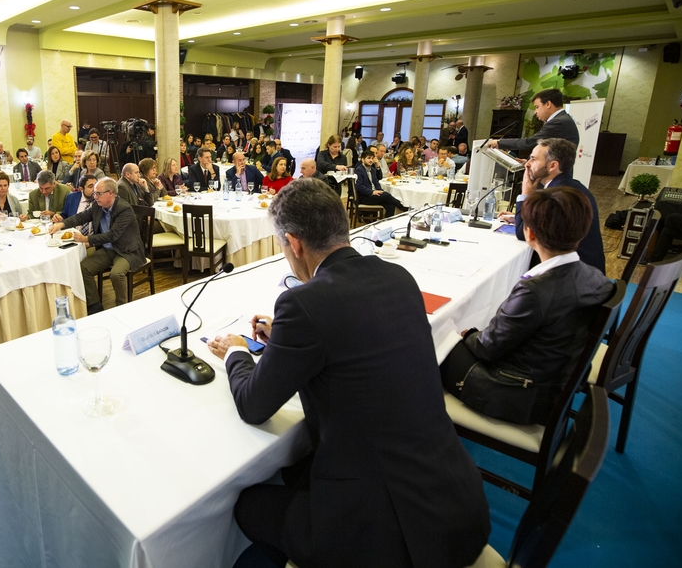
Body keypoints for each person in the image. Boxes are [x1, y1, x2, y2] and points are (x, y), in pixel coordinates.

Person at [205, 180, 490, 568]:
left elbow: (254, 405)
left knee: (249, 505)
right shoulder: (400, 279)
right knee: (295, 473)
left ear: (295, 243)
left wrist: (237, 351)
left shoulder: (302, 304)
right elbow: (356, 339)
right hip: (456, 502)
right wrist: (287, 339)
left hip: (392, 536)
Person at [442, 186, 613, 424]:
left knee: (438, 341)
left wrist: (470, 333)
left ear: (529, 234)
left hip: (517, 392)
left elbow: (487, 348)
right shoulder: (596, 277)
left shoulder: (535, 290)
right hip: (555, 380)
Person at [504, 138, 605, 274]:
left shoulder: (557, 195)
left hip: (571, 279)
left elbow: (523, 233)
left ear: (552, 165)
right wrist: (529, 216)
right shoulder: (571, 187)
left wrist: (526, 193)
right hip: (589, 273)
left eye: (533, 159)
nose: (527, 164)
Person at [48, 177, 146, 314]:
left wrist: (86, 238)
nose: (95, 197)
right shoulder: (97, 205)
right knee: (83, 268)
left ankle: (122, 308)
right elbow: (80, 217)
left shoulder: (124, 209)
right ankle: (95, 306)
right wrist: (61, 224)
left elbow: (113, 235)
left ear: (110, 193)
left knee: (116, 274)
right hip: (108, 249)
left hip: (126, 250)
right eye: (94, 193)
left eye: (98, 193)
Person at [485, 89, 578, 151]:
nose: (535, 112)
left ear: (548, 104)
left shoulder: (558, 122)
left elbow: (531, 142)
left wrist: (499, 142)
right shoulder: (563, 119)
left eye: (537, 107)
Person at [355, 150, 406, 216]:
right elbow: (359, 186)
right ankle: (402, 207)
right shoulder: (359, 170)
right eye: (368, 158)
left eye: (372, 158)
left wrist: (380, 191)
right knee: (387, 195)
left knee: (390, 206)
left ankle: (386, 224)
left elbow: (376, 182)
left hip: (374, 194)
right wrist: (372, 192)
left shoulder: (372, 169)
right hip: (365, 196)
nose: (371, 160)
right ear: (362, 159)